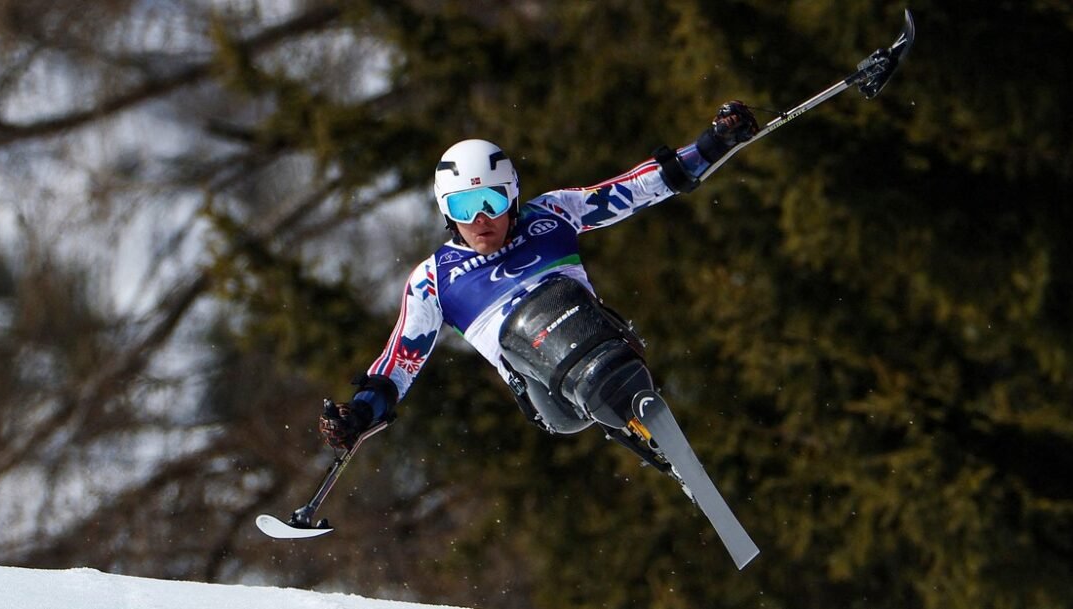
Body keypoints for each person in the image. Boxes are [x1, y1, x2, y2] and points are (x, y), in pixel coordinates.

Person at [319, 101, 760, 459]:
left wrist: (713, 144)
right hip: (547, 392)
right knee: (530, 323)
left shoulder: (550, 214)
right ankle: (604, 393)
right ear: (446, 212)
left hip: (600, 341)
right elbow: (400, 362)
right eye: (464, 207)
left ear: (512, 195)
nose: (481, 219)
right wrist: (358, 414)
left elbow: (635, 189)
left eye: (491, 200)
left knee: (560, 297)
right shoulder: (433, 280)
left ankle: (620, 394)